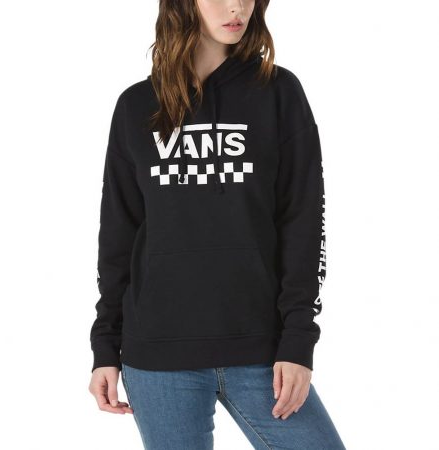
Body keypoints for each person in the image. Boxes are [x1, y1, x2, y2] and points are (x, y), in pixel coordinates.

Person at [88, 0, 346, 449]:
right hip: (158, 355)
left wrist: (298, 341)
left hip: (262, 350)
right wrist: (105, 346)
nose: (237, 7)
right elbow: (118, 235)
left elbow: (304, 222)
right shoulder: (135, 106)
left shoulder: (278, 92)